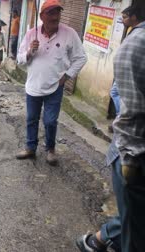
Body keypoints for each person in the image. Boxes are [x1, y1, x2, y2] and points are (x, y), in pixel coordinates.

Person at [76, 4, 145, 252]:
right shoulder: (136, 42)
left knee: (135, 217)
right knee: (134, 219)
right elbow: (133, 109)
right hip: (135, 151)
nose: (122, 18)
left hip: (133, 149)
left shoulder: (135, 40)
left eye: (125, 15)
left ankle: (102, 239)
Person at [15, 0, 87, 165]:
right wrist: (30, 52)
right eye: (51, 13)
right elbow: (19, 60)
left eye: (57, 12)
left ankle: (50, 149)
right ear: (42, 16)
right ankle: (30, 148)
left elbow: (81, 57)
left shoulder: (69, 33)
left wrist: (67, 76)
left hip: (55, 87)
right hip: (33, 86)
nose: (55, 17)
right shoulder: (31, 34)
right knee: (32, 119)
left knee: (50, 121)